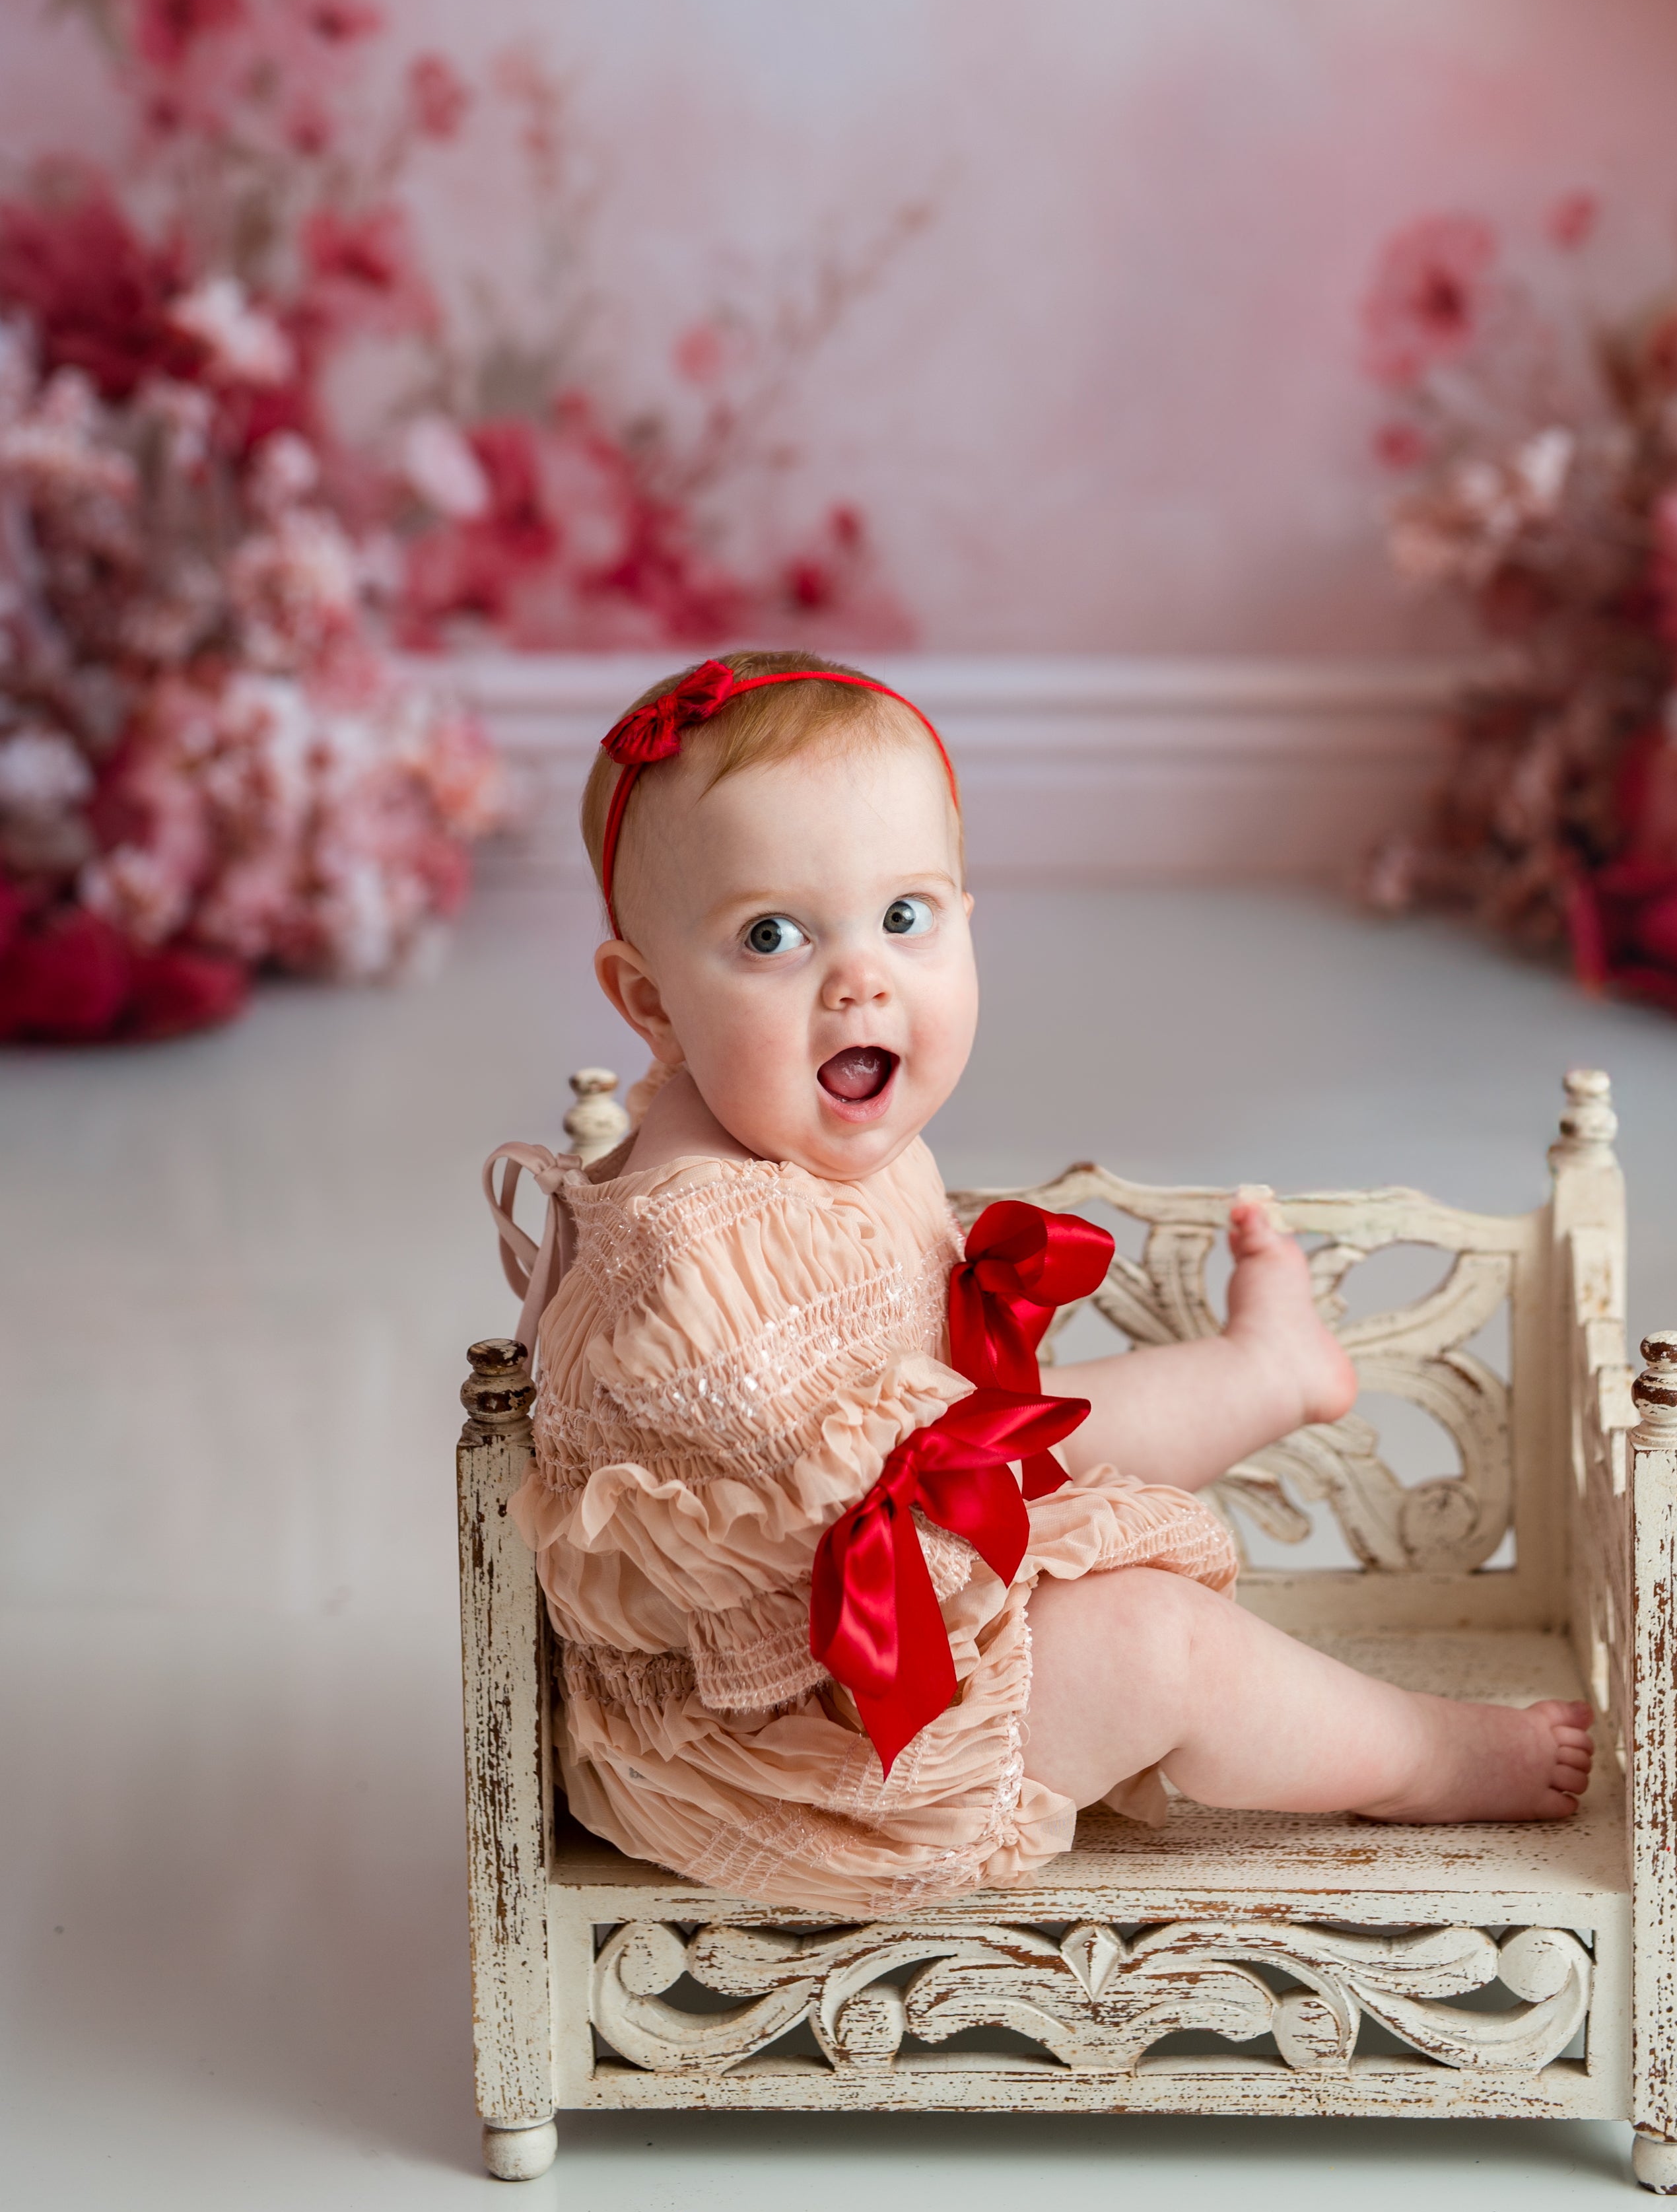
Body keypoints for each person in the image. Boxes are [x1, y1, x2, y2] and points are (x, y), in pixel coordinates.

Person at [486, 652, 1591, 1914]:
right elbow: (899, 1507)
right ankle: (1423, 1758)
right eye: (772, 936)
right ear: (651, 1003)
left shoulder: (788, 1125)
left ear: (967, 919)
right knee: (1155, 1645)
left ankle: (1272, 1373)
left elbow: (957, 1447)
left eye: (905, 917)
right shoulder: (699, 1255)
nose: (860, 978)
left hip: (895, 1565)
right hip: (814, 1747)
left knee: (1056, 1449)